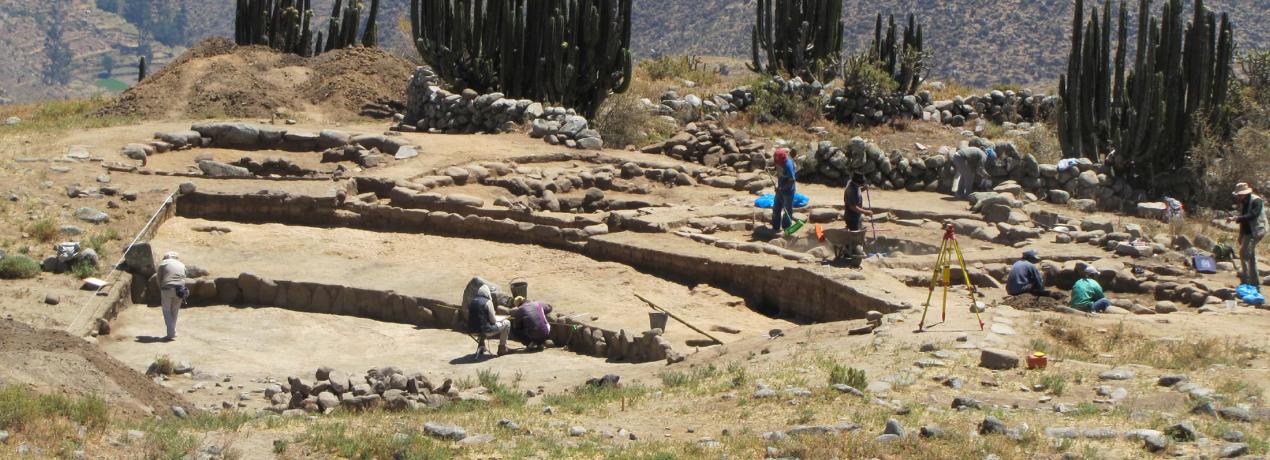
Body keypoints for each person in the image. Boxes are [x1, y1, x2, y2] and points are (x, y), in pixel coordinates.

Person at [1228, 183, 1268, 286]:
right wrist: (1241, 235)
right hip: (1248, 231)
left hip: (1257, 230)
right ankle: (1251, 282)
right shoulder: (1244, 201)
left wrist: (1236, 218)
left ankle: (1250, 282)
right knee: (1248, 255)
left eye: (1240, 195)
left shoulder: (1257, 201)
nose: (1238, 197)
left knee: (1246, 254)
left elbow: (1252, 215)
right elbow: (1244, 219)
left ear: (1245, 194)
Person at [467, 285, 510, 356]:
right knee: (507, 323)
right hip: (485, 331)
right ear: (487, 293)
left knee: (480, 323)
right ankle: (502, 348)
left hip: (471, 330)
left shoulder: (472, 301)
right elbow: (493, 321)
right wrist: (499, 319)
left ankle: (481, 345)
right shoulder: (488, 302)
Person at [157, 252, 187, 341]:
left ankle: (171, 333)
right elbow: (184, 277)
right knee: (175, 310)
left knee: (166, 310)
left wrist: (160, 289)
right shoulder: (182, 264)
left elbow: (159, 278)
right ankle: (172, 331)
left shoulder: (163, 263)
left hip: (167, 288)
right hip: (180, 290)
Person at [771, 147, 797, 231]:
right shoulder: (778, 161)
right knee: (776, 208)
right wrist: (771, 169)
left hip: (788, 191)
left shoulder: (788, 165)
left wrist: (782, 188)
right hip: (780, 189)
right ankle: (775, 228)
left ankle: (786, 229)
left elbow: (792, 180)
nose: (777, 164)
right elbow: (777, 168)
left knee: (787, 210)